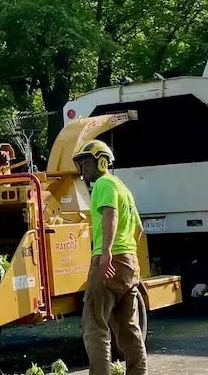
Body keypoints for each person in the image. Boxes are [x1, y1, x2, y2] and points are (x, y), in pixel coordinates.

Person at [72, 139, 147, 375]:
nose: (83, 169)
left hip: (109, 261)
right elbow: (138, 228)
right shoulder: (123, 187)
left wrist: (105, 253)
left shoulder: (104, 183)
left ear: (102, 161)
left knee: (94, 325)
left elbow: (110, 214)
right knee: (128, 328)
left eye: (87, 163)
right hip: (128, 263)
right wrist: (127, 257)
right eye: (81, 164)